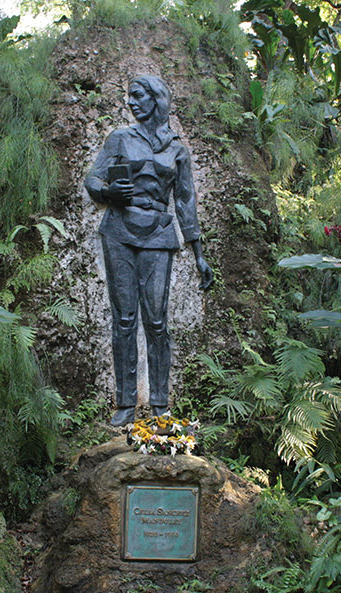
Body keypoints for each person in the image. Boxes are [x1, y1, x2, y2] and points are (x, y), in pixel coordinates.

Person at [85, 74, 214, 427]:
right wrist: (109, 194)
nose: (131, 103)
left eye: (138, 96)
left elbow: (185, 201)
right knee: (124, 319)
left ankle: (160, 403)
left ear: (157, 99)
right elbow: (93, 180)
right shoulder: (120, 138)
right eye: (129, 97)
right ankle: (125, 402)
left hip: (159, 234)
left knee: (156, 321)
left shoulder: (177, 149)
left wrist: (198, 253)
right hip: (119, 233)